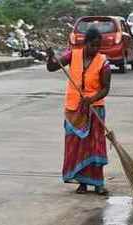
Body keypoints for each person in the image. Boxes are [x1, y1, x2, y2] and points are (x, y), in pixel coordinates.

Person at [46, 28, 111, 195]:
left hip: (94, 109)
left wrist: (92, 99)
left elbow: (105, 89)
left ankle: (98, 184)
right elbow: (52, 67)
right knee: (77, 146)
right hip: (74, 110)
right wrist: (50, 56)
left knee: (95, 147)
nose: (96, 49)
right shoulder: (72, 55)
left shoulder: (103, 62)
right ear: (85, 43)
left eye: (98, 45)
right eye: (93, 45)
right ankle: (82, 183)